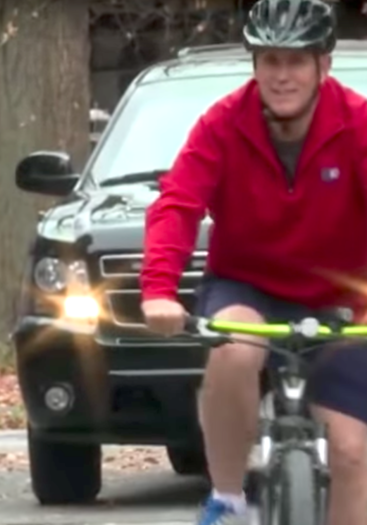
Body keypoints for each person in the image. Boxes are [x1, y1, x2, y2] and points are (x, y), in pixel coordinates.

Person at [140, 0, 367, 524]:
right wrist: (158, 290)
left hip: (343, 298)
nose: (282, 76)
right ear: (255, 65)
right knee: (234, 353)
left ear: (323, 66)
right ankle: (228, 499)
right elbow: (178, 202)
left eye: (296, 62)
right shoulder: (223, 123)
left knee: (353, 450)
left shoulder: (355, 123)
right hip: (248, 285)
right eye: (270, 61)